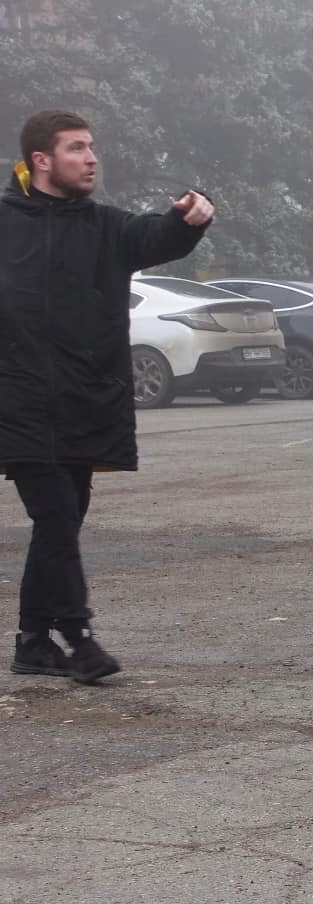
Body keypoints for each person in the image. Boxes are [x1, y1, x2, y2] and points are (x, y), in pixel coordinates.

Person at [1, 109, 214, 683]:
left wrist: (189, 220)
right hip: (17, 402)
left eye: (92, 147)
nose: (92, 157)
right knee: (56, 515)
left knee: (61, 524)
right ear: (41, 160)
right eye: (77, 148)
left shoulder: (105, 226)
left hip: (84, 400)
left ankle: (31, 641)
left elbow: (156, 235)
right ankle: (79, 640)